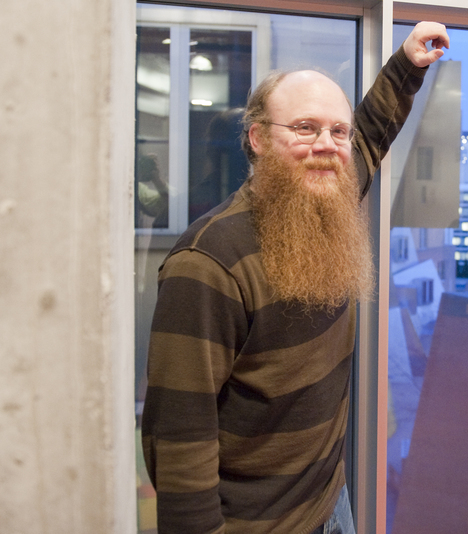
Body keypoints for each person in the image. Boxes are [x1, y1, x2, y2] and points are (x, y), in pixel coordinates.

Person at [142, 21, 450, 534]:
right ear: (258, 138)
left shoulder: (322, 197)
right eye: (305, 128)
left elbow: (372, 131)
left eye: (337, 131)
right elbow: (178, 437)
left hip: (330, 500)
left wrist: (407, 63)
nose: (327, 145)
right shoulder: (207, 263)